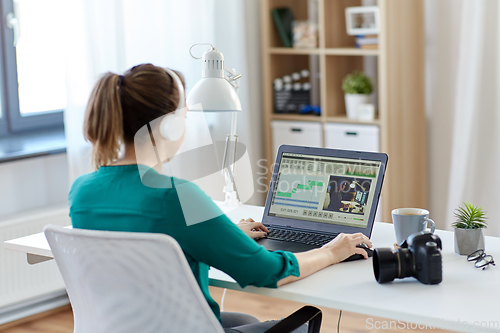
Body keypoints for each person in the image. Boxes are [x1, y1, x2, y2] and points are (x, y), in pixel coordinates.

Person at [69, 64, 372, 333]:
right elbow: (266, 272)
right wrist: (333, 251)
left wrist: (226, 235)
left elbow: (145, 246)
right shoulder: (176, 196)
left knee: (242, 319)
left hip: (125, 325)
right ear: (171, 125)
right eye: (185, 115)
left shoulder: (82, 191)